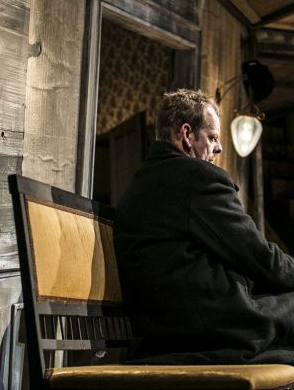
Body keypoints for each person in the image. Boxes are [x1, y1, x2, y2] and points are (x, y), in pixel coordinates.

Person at [113, 88, 294, 365]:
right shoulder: (199, 179)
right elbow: (259, 258)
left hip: (163, 328)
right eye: (212, 138)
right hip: (207, 326)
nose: (218, 148)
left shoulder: (140, 181)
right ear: (187, 135)